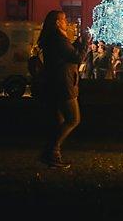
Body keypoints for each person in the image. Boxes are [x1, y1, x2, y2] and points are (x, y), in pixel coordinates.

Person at [36, 10, 85, 168]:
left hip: (56, 83)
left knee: (59, 121)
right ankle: (51, 150)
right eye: (64, 20)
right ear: (57, 23)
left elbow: (68, 54)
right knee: (73, 119)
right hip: (64, 84)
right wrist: (86, 44)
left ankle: (52, 156)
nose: (66, 22)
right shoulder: (58, 39)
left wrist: (77, 42)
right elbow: (77, 58)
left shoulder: (54, 39)